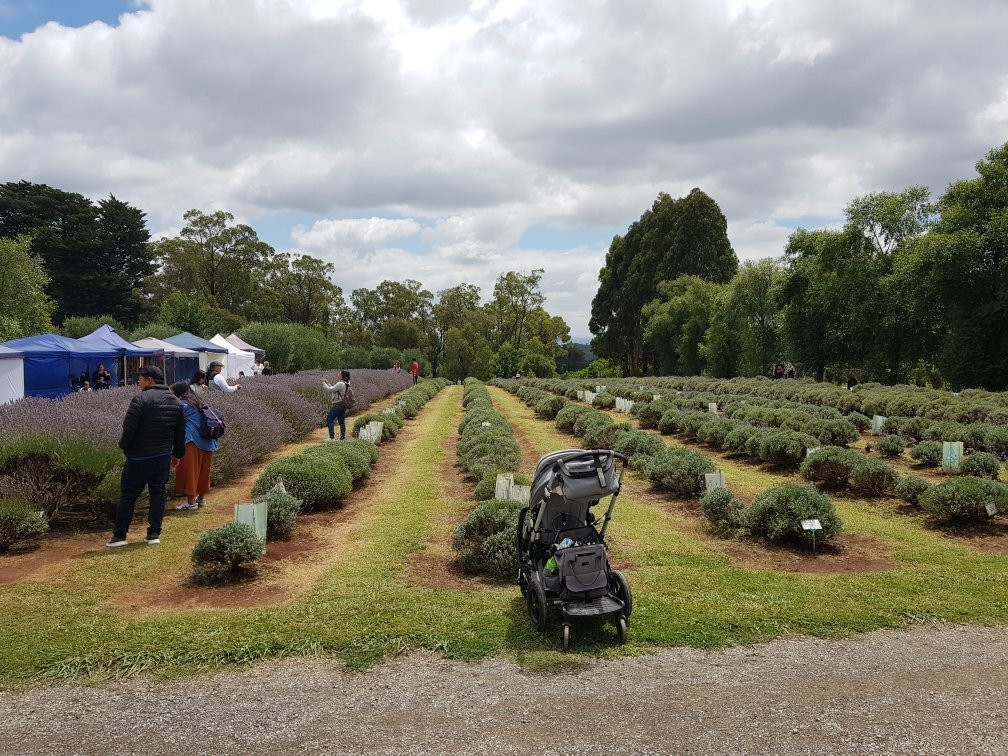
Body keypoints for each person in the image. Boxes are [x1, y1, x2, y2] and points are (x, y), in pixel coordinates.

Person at [106, 365, 185, 547]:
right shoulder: (176, 402)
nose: (138, 383)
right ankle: (154, 534)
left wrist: (124, 446)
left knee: (128, 495)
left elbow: (129, 429)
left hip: (139, 457)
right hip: (163, 456)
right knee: (158, 494)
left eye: (140, 380)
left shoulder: (140, 399)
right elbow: (180, 433)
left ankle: (120, 536)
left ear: (149, 380)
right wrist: (177, 455)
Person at [170, 382, 219, 511]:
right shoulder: (199, 402)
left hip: (192, 441)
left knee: (190, 471)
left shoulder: (183, 405)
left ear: (178, 393)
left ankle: (191, 503)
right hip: (208, 441)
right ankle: (201, 499)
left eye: (172, 392)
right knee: (204, 470)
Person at [322, 369, 351, 441]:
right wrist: (328, 383)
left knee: (329, 419)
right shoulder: (346, 383)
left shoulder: (340, 383)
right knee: (341, 421)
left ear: (342, 376)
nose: (338, 374)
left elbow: (329, 390)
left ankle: (331, 438)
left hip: (338, 405)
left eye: (339, 374)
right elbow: (335, 389)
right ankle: (342, 438)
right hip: (343, 405)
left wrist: (323, 382)